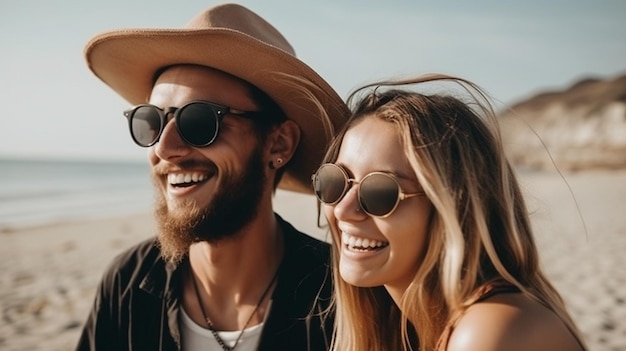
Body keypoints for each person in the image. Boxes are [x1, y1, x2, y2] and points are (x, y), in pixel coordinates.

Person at [76, 4, 349, 351]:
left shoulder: (340, 298)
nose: (165, 147)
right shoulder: (128, 283)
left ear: (279, 143)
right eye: (152, 121)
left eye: (200, 121)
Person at [311, 74, 588, 350]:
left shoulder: (489, 332)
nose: (344, 210)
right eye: (335, 182)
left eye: (381, 192)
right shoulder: (405, 329)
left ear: (454, 208)